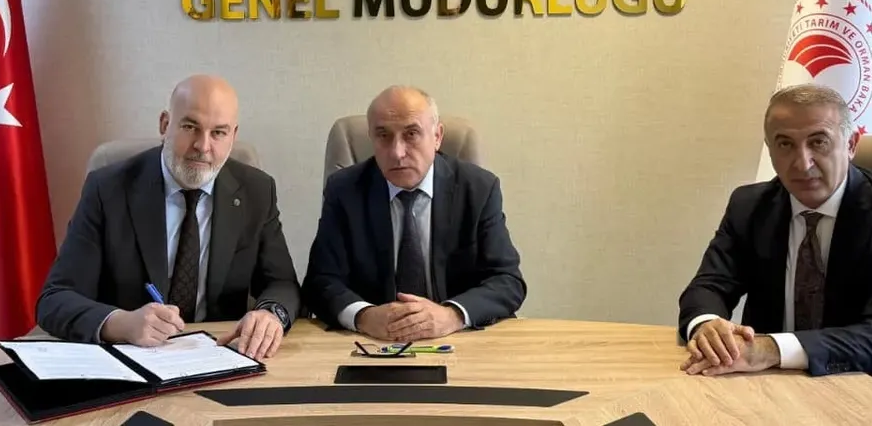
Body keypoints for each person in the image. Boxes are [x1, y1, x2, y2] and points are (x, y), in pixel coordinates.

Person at [677, 83, 872, 424]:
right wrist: (708, 326)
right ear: (770, 150)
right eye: (785, 144)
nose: (802, 163)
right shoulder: (749, 206)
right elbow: (708, 286)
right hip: (778, 393)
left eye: (818, 142)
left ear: (852, 144)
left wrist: (771, 349)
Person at [36, 75, 300, 359]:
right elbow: (55, 299)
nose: (203, 146)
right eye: (190, 127)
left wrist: (270, 314)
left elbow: (282, 283)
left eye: (218, 133)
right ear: (165, 124)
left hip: (220, 354)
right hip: (130, 357)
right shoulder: (108, 190)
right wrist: (121, 323)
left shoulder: (256, 191)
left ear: (233, 136)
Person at [303, 86, 526, 342]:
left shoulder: (478, 188)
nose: (397, 152)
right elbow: (321, 281)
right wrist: (364, 316)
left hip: (458, 341)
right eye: (383, 135)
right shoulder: (344, 190)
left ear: (437, 136)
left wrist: (452, 315)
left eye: (411, 134)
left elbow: (507, 280)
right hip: (375, 343)